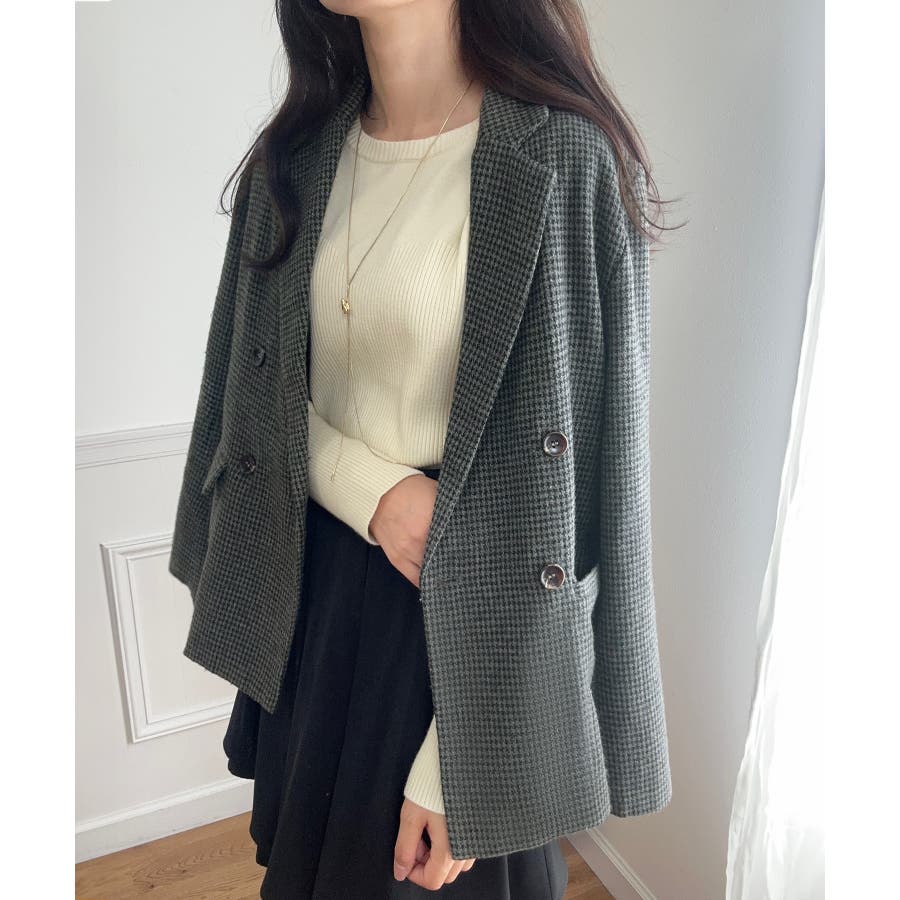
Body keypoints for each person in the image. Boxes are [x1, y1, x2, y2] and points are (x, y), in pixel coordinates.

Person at [169, 0, 673, 897]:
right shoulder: (296, 158)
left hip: (463, 631)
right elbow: (248, 403)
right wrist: (372, 490)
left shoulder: (564, 160)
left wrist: (460, 764)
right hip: (311, 596)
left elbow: (580, 510)